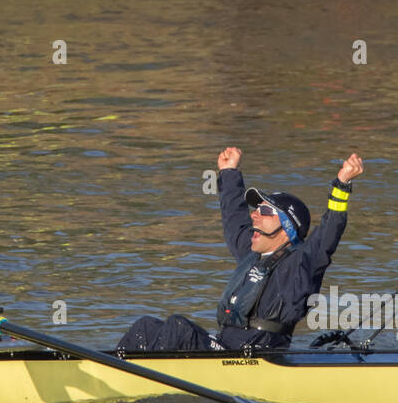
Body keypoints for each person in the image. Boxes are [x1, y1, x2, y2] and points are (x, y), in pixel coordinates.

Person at [117, 146, 363, 353]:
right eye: (255, 210)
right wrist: (228, 173)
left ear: (288, 228)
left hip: (257, 356)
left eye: (264, 211)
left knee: (178, 327)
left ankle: (143, 378)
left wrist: (341, 185)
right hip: (225, 349)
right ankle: (117, 369)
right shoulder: (251, 254)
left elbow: (329, 234)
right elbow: (234, 217)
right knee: (146, 326)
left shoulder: (302, 263)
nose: (254, 215)